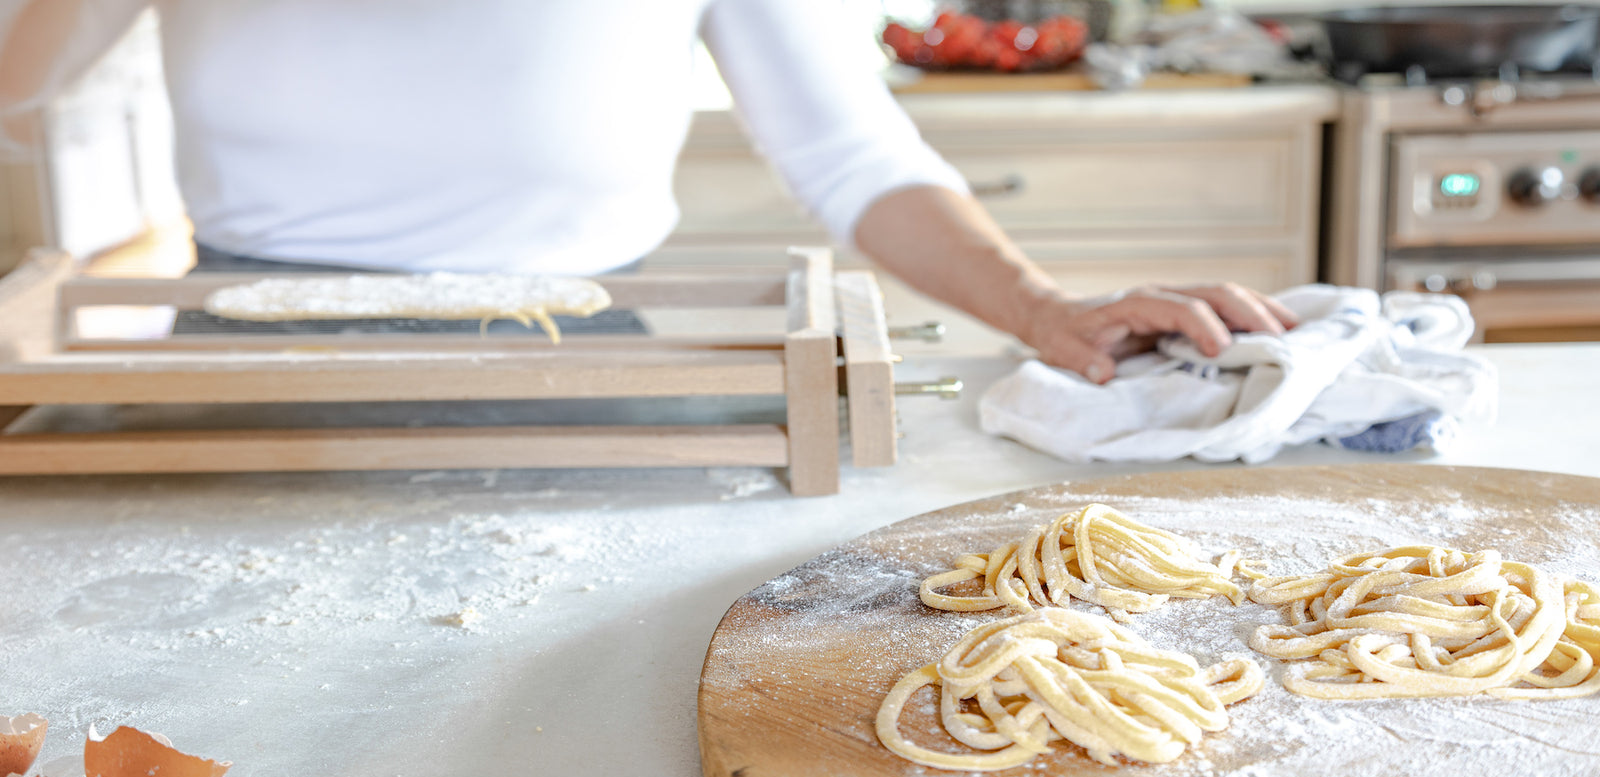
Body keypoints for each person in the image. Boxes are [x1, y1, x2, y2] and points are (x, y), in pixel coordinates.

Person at [0, 0, 1295, 383]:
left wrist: (1040, 308)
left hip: (579, 363)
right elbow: (14, 82)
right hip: (247, 368)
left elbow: (852, 152)